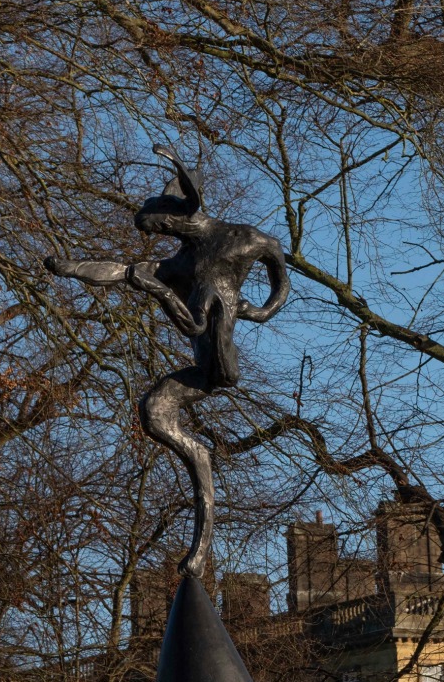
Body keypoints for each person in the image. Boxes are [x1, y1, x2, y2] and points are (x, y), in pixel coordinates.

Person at [45, 147, 289, 578]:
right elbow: (121, 270)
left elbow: (279, 271)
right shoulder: (180, 262)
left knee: (203, 309)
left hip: (221, 359)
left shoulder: (244, 238)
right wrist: (71, 268)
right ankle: (198, 471)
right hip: (202, 367)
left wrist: (264, 310)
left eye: (162, 226)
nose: (161, 233)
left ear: (180, 216)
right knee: (154, 409)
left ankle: (190, 309)